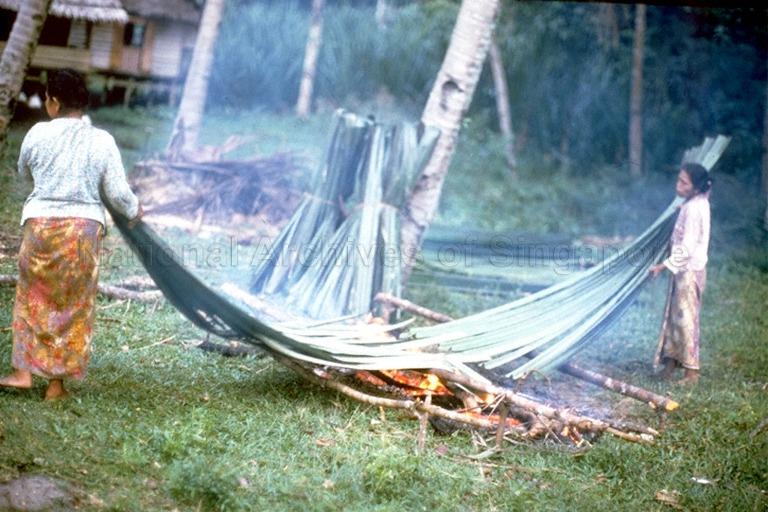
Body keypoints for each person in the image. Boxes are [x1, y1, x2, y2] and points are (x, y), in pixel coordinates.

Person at [0, 69, 142, 400]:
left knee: (31, 297)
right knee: (73, 305)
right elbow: (119, 193)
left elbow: (24, 170)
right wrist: (135, 212)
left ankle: (22, 372)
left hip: (40, 226)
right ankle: (55, 385)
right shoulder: (102, 140)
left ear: (53, 101)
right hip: (83, 229)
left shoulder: (37, 133)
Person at [649, 162, 712, 384]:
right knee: (675, 319)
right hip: (685, 270)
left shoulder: (694, 209)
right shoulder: (694, 203)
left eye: (683, 182)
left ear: (695, 187)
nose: (678, 184)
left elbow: (687, 246)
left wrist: (662, 266)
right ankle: (670, 364)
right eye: (679, 180)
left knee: (686, 321)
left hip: (689, 271)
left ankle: (691, 372)